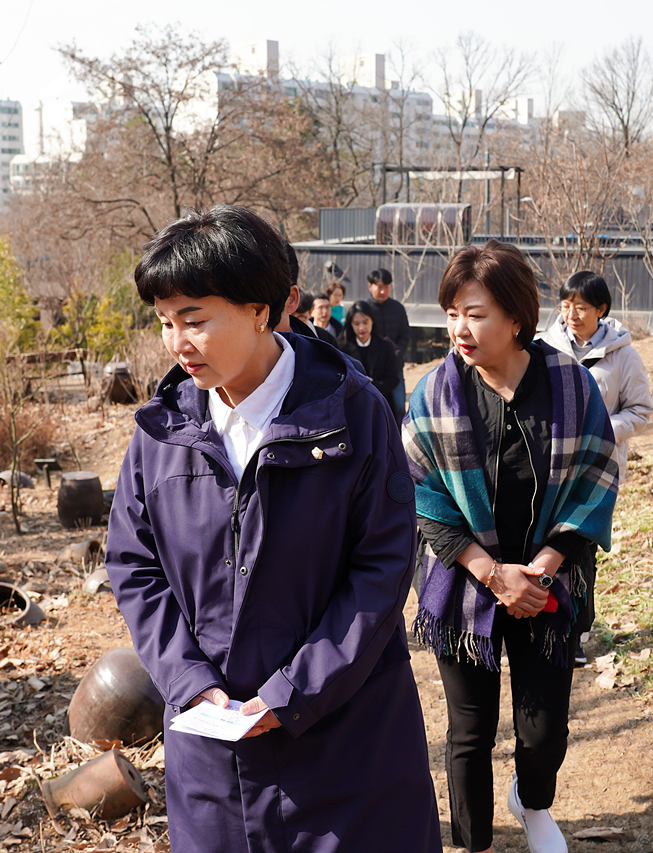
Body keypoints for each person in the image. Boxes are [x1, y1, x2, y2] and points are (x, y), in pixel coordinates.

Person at [106, 204, 442, 853]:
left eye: (196, 320)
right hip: (214, 757)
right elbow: (133, 563)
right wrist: (189, 681)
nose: (178, 343)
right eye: (166, 321)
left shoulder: (350, 414)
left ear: (261, 308)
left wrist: (292, 692)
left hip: (345, 747)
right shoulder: (164, 431)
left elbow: (382, 568)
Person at [404, 240, 619, 853]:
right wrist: (493, 573)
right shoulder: (434, 394)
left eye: (475, 314)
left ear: (517, 318)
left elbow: (596, 479)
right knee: (470, 731)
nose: (459, 329)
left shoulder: (571, 386)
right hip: (466, 585)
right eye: (452, 313)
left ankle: (532, 801)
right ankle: (472, 843)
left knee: (544, 725)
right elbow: (421, 494)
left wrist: (543, 570)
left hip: (548, 582)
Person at [537, 270, 653, 665]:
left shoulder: (624, 355)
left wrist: (600, 431)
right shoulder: (544, 346)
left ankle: (576, 633)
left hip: (598, 472)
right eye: (566, 305)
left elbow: (641, 411)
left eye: (581, 307)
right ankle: (540, 624)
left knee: (581, 547)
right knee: (544, 544)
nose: (572, 313)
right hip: (548, 469)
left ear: (601, 310)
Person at [339, 300, 399, 413]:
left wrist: (371, 386)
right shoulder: (342, 348)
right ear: (350, 324)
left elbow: (393, 379)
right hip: (352, 405)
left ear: (372, 321)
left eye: (365, 322)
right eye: (356, 324)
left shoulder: (385, 347)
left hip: (381, 403)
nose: (361, 328)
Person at [366, 268, 410, 417]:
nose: (383, 291)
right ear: (369, 286)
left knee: (398, 407)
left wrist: (396, 355)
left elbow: (405, 335)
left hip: (395, 366)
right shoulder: (364, 309)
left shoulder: (398, 308)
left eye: (387, 287)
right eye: (379, 287)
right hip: (372, 369)